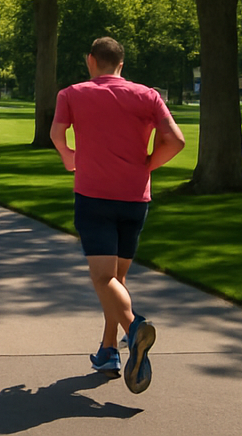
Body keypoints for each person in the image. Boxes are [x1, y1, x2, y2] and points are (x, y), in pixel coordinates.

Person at [51, 37, 185, 394]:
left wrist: (69, 158)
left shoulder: (72, 93)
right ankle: (108, 352)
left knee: (102, 278)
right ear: (121, 65)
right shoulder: (147, 95)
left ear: (90, 60)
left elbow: (57, 133)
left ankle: (134, 327)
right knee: (116, 280)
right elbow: (176, 140)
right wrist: (147, 165)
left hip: (94, 196)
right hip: (134, 199)